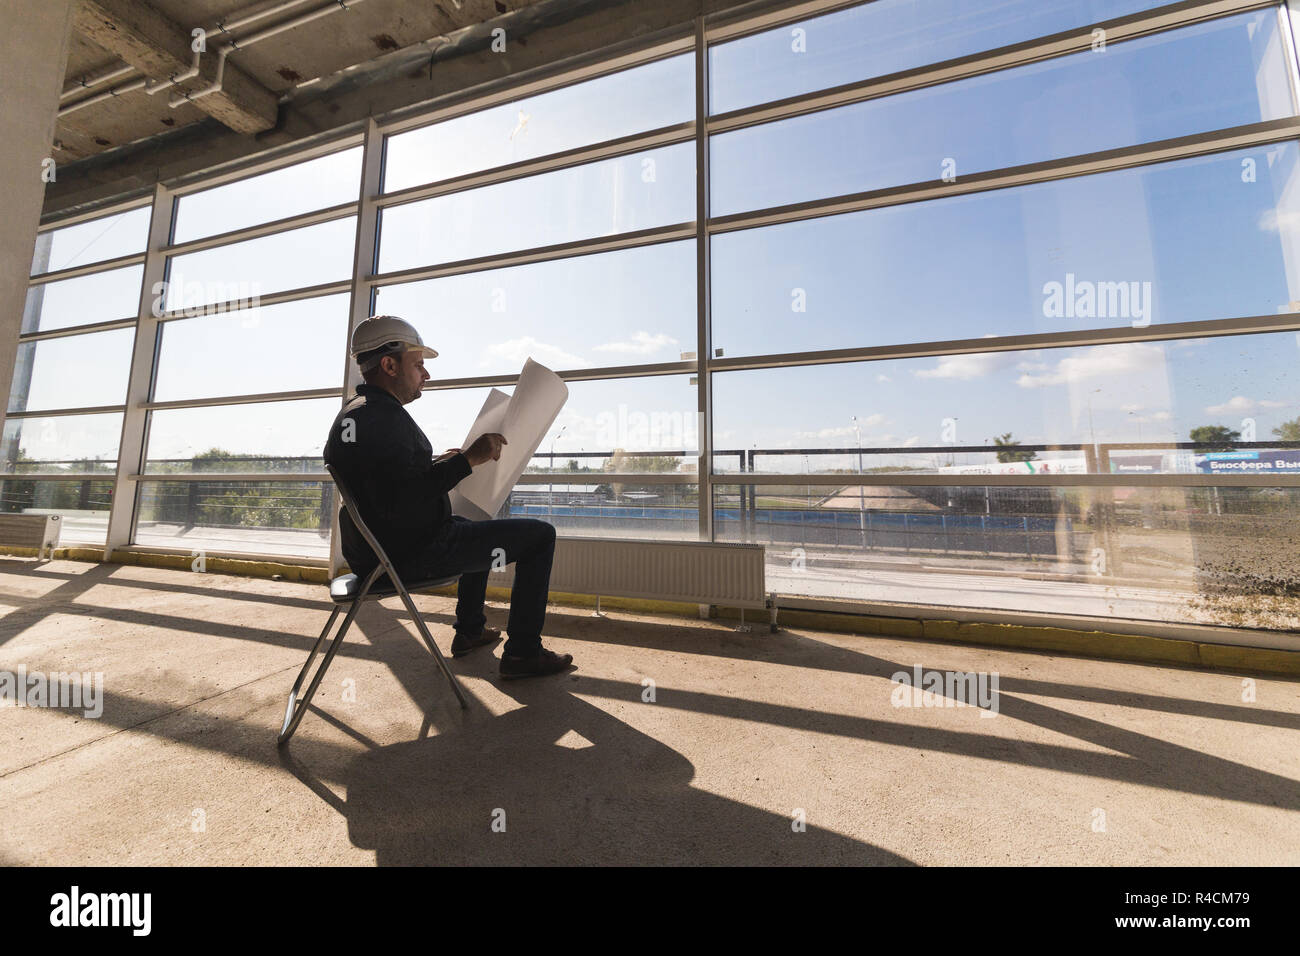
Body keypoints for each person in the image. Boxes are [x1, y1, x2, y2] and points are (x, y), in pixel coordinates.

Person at [323, 315, 573, 680]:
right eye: (419, 364)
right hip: (411, 553)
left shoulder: (360, 415)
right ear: (390, 365)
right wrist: (468, 459)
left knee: (476, 525)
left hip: (379, 550)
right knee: (540, 536)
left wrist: (442, 462)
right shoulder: (382, 419)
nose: (426, 374)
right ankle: (522, 653)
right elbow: (406, 498)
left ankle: (470, 631)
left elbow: (390, 482)